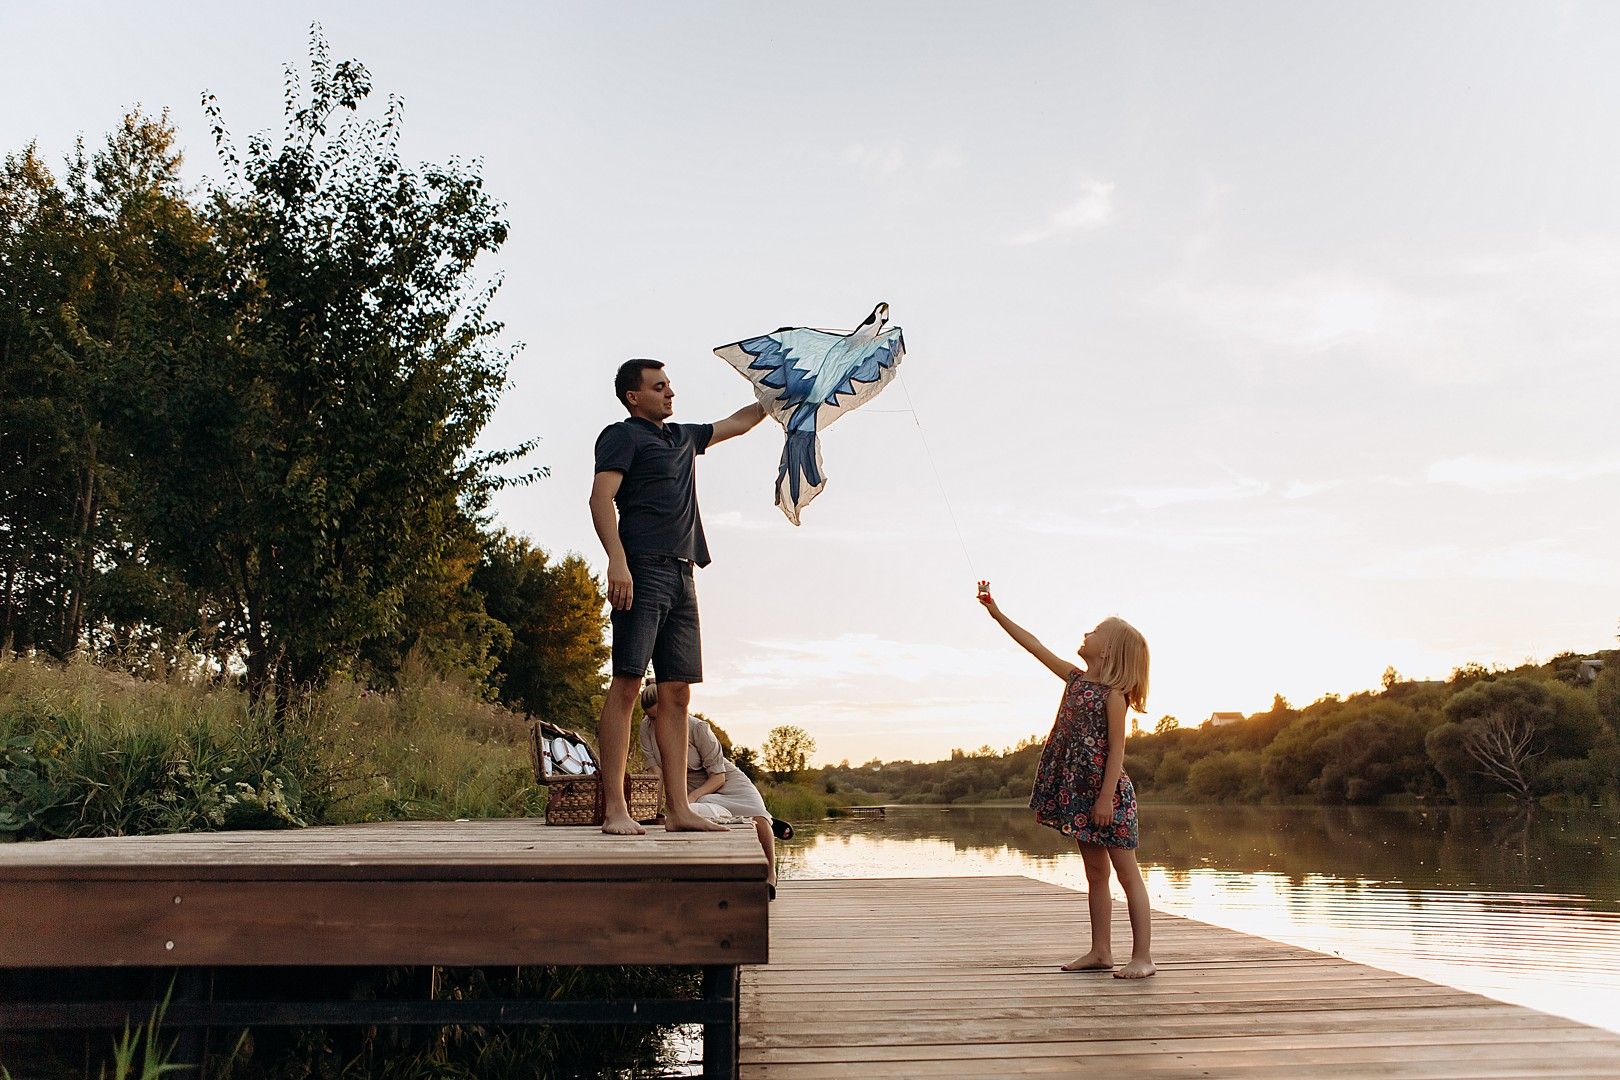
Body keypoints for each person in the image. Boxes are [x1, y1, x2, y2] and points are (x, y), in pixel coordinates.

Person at [590, 358, 766, 835]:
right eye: (659, 387)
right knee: (628, 685)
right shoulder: (621, 436)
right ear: (634, 396)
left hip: (684, 574)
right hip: (641, 570)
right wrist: (617, 560)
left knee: (677, 693)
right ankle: (615, 810)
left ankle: (680, 811)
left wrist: (783, 393)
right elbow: (600, 499)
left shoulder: (684, 437)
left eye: (670, 386)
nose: (670, 394)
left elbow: (741, 421)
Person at [976, 580, 1156, 979]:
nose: (1086, 634)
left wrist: (1105, 798)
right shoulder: (1076, 680)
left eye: (1095, 632)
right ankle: (1100, 951)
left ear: (1108, 649)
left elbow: (1117, 752)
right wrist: (996, 612)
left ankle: (1143, 956)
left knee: (1127, 875)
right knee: (1095, 875)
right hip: (1078, 795)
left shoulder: (1113, 695)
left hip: (1106, 796)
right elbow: (1035, 645)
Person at [638, 683, 778, 896]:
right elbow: (656, 775)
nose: (656, 723)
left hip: (724, 781)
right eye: (652, 718)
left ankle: (770, 876)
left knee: (758, 817)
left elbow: (718, 776)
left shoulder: (698, 728)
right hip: (688, 786)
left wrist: (691, 797)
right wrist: (654, 813)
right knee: (695, 814)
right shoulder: (646, 728)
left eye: (659, 716)